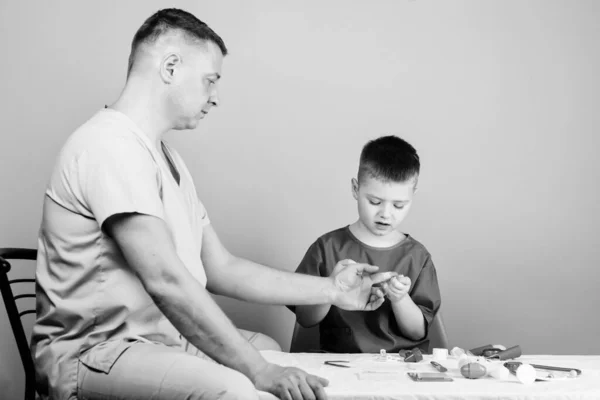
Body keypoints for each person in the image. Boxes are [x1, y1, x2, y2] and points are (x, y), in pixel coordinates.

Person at [30, 8, 396, 400]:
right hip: (96, 354)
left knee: (269, 348)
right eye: (210, 81)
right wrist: (258, 372)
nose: (215, 97)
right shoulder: (108, 146)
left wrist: (333, 290)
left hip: (157, 341)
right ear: (170, 67)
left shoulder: (166, 159)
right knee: (238, 386)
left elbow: (222, 268)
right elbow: (166, 281)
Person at [292, 135, 441, 353]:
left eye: (399, 205)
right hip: (340, 367)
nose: (385, 214)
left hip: (400, 369)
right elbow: (305, 319)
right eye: (375, 202)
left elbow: (417, 332)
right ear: (355, 189)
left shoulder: (418, 257)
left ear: (412, 196)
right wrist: (331, 288)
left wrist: (400, 299)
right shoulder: (326, 248)